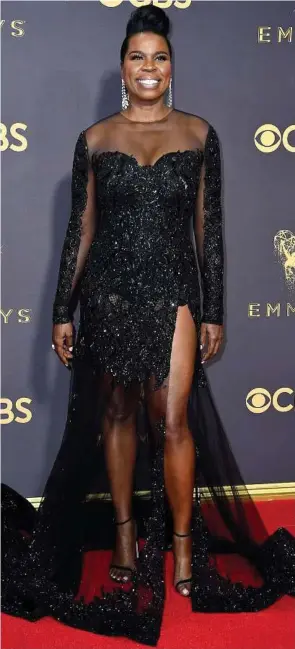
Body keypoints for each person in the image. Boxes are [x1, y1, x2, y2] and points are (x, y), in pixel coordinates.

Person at [2, 5, 295, 647]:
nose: (149, 67)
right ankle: (127, 545)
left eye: (159, 57)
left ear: (172, 67)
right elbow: (80, 234)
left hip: (176, 297)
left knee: (173, 418)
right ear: (122, 66)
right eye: (138, 57)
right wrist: (60, 308)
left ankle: (185, 551)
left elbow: (208, 232)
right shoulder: (96, 139)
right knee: (115, 416)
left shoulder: (199, 134)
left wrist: (213, 306)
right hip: (107, 294)